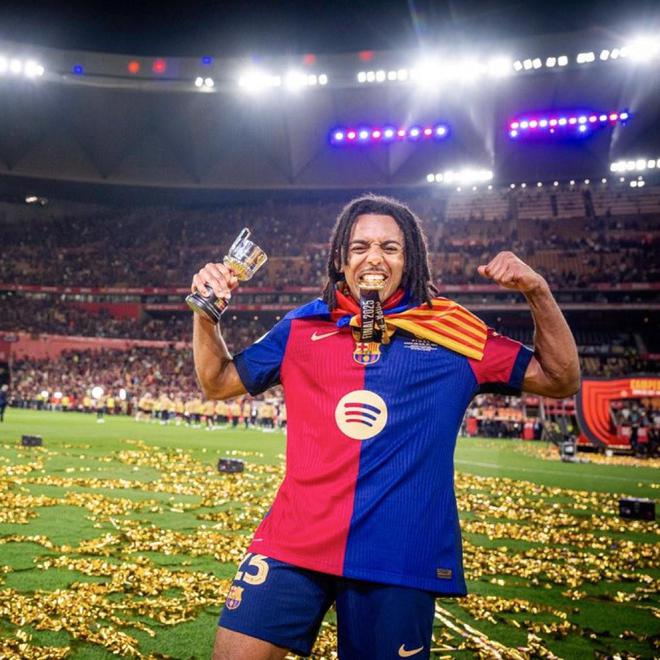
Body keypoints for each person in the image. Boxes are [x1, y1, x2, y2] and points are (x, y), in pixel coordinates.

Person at [191, 195, 580, 660]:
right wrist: (206, 312)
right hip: (293, 541)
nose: (374, 257)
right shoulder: (303, 327)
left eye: (389, 248)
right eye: (360, 247)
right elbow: (217, 382)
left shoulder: (454, 332)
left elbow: (560, 378)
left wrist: (537, 291)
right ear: (341, 258)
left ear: (408, 259)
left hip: (398, 554)